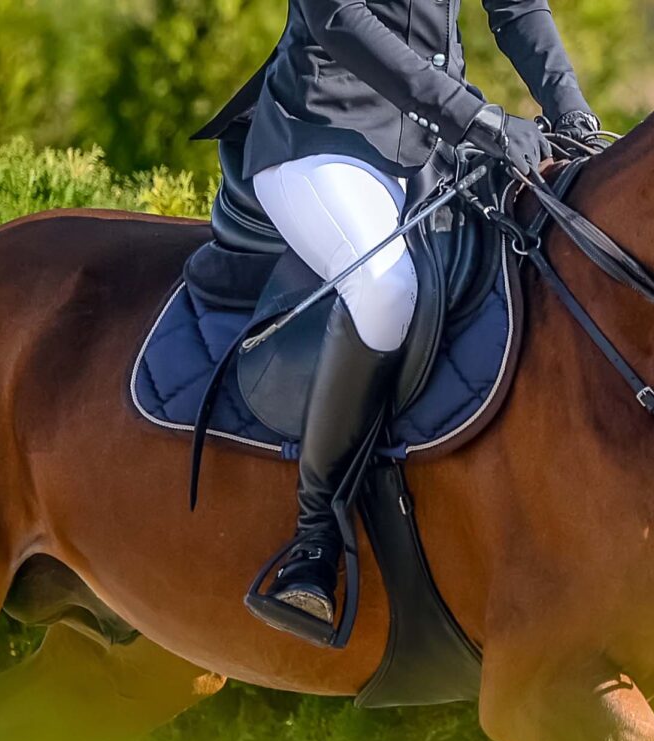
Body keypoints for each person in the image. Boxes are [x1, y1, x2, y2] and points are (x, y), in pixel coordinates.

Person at [191, 0, 603, 643]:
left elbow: (517, 6)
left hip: (431, 148)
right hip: (322, 136)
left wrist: (570, 108)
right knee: (386, 291)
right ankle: (313, 540)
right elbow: (339, 17)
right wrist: (479, 119)